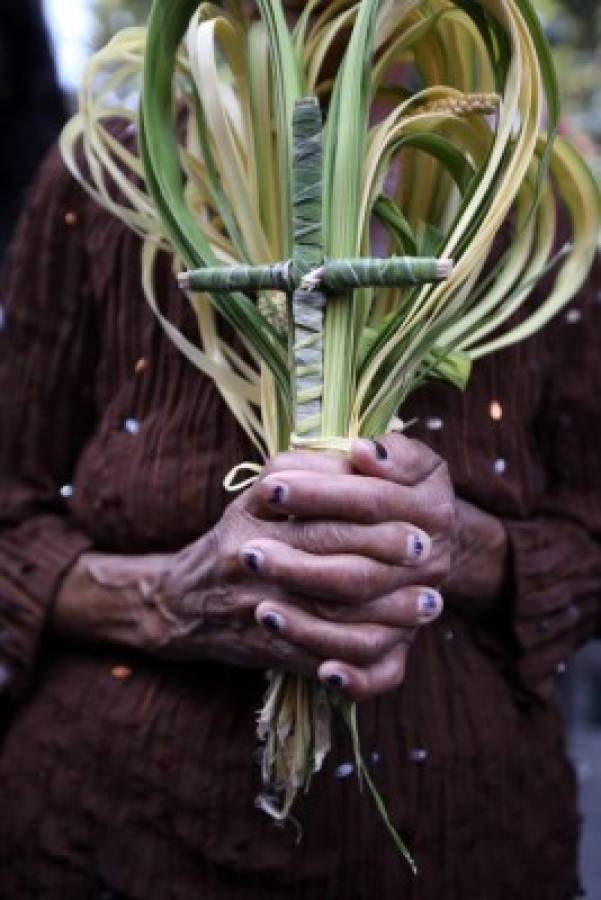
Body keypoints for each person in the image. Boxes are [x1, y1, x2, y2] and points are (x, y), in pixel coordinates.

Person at [0, 110, 600, 900]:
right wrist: (166, 599)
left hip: (464, 847)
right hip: (112, 843)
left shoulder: (536, 188)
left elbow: (589, 533)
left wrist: (447, 544)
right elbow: (12, 513)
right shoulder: (109, 170)